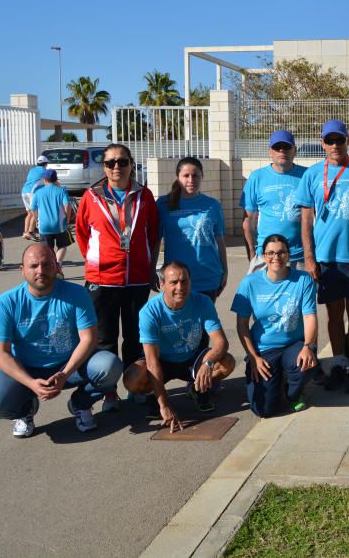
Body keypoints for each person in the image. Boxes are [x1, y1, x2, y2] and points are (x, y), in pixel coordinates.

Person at [0, 244, 122, 437]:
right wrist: (30, 383)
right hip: (27, 369)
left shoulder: (77, 294)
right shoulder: (6, 303)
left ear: (57, 266)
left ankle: (80, 404)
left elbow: (89, 338)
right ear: (22, 270)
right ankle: (25, 410)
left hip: (70, 366)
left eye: (47, 265)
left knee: (109, 365)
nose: (40, 271)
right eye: (33, 266)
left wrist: (63, 374)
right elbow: (0, 352)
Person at [75, 143, 159, 410]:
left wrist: (149, 267)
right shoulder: (91, 197)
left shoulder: (144, 196)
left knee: (135, 336)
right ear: (104, 167)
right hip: (102, 280)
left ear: (131, 164)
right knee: (105, 339)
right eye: (110, 163)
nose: (116, 168)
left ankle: (136, 387)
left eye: (122, 162)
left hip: (136, 279)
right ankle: (108, 392)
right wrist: (99, 262)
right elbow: (82, 234)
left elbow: (153, 234)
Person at [296, 119, 349, 393]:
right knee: (334, 316)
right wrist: (310, 258)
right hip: (327, 258)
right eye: (330, 141)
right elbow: (305, 220)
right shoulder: (312, 175)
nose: (335, 145)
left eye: (340, 140)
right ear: (322, 142)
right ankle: (338, 363)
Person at [124, 261, 236, 431]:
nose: (180, 287)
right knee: (132, 378)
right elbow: (152, 362)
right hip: (162, 361)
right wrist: (165, 404)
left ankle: (197, 389)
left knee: (227, 363)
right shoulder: (149, 312)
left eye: (184, 281)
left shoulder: (203, 302)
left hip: (191, 359)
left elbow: (221, 342)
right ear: (162, 285)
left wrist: (208, 363)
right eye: (173, 282)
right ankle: (155, 398)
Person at [231, 234, 318, 416]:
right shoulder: (250, 283)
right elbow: (242, 325)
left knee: (305, 364)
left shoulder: (303, 280)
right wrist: (253, 356)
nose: (276, 257)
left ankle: (292, 392)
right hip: (264, 348)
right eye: (270, 253)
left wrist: (308, 346)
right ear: (263, 256)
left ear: (288, 254)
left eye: (281, 252)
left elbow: (310, 317)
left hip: (294, 344)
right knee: (263, 410)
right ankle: (272, 380)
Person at [156, 157, 228, 302]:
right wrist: (152, 271)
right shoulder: (163, 204)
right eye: (186, 175)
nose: (191, 180)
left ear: (202, 176)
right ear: (177, 177)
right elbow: (155, 241)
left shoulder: (212, 205)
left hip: (207, 276)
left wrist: (225, 271)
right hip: (177, 279)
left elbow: (219, 240)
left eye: (195, 175)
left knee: (204, 324)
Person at [242, 130, 306, 274]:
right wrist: (253, 254)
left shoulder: (307, 176)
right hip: (266, 256)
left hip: (299, 257)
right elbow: (248, 221)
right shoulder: (257, 178)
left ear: (294, 150)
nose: (282, 150)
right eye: (277, 147)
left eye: (286, 147)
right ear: (270, 151)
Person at [30, 169, 73, 274]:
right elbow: (67, 205)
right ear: (56, 179)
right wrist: (67, 219)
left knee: (47, 250)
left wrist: (36, 220)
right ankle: (58, 264)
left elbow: (33, 208)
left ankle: (49, 269)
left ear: (45, 179)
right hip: (59, 225)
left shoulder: (38, 192)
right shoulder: (61, 190)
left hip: (44, 226)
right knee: (62, 246)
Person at [21, 155, 49, 240]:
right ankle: (30, 232)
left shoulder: (32, 170)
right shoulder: (45, 171)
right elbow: (48, 182)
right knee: (35, 212)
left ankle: (25, 232)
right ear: (46, 163)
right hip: (33, 192)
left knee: (29, 213)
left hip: (24, 191)